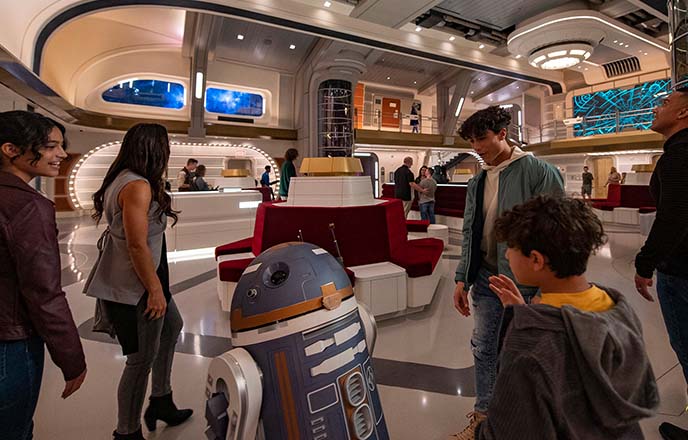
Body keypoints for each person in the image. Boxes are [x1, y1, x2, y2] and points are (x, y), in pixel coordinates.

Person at [474, 195, 658, 439]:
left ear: (536, 260)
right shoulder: (618, 308)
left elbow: (508, 430)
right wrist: (524, 313)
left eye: (511, 247)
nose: (506, 255)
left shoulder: (530, 347)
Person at [449, 106, 564, 440]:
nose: (477, 147)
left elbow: (558, 232)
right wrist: (462, 277)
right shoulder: (478, 180)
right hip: (486, 278)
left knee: (523, 354)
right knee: (484, 348)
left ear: (502, 133)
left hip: (525, 282)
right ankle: (484, 419)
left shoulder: (539, 172)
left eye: (482, 139)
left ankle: (525, 421)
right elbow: (470, 231)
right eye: (472, 142)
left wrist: (546, 288)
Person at [85, 123, 192, 440]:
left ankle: (161, 399)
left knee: (172, 327)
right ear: (155, 149)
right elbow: (136, 244)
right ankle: (127, 431)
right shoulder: (137, 185)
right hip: (137, 286)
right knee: (140, 360)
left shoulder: (123, 178)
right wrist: (155, 290)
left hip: (146, 278)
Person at [0, 111, 87, 440]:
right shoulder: (28, 206)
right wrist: (72, 358)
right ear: (11, 149)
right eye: (50, 147)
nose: (62, 154)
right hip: (11, 343)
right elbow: (43, 291)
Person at [633, 90, 688, 439]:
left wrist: (645, 264)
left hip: (681, 271)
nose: (656, 107)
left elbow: (673, 218)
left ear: (684, 113)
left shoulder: (678, 156)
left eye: (665, 103)